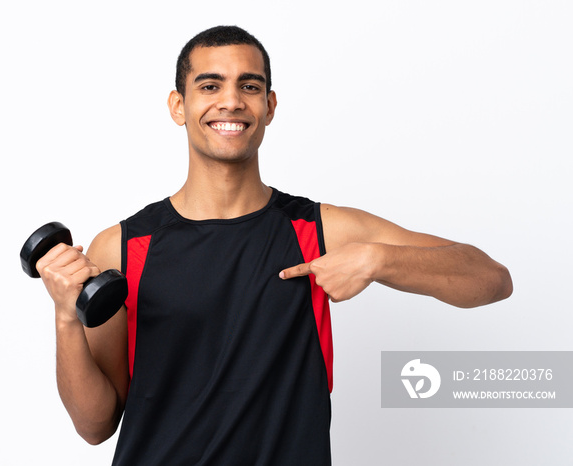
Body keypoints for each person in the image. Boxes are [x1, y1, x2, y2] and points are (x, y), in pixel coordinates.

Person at [35, 26, 512, 465]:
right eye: (209, 85)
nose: (231, 101)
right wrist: (64, 317)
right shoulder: (123, 246)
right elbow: (95, 426)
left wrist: (378, 258)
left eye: (249, 86)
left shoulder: (319, 231)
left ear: (269, 105)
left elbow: (491, 279)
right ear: (178, 106)